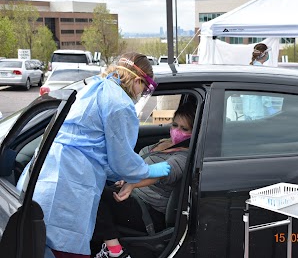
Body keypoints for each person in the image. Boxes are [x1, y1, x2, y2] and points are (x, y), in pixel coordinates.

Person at [25, 52, 172, 258]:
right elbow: (122, 160)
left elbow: (95, 146)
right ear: (138, 80)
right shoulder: (120, 104)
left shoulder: (94, 87)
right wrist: (147, 170)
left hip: (46, 172)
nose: (142, 93)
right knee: (64, 246)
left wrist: (123, 175)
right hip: (72, 182)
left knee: (41, 241)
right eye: (145, 87)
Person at [92, 102, 196, 258]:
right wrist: (125, 180)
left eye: (184, 129)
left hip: (148, 210)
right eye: (175, 125)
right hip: (132, 195)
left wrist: (132, 184)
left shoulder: (183, 157)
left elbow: (163, 173)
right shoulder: (163, 143)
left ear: (194, 132)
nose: (177, 131)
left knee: (94, 194)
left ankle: (115, 252)